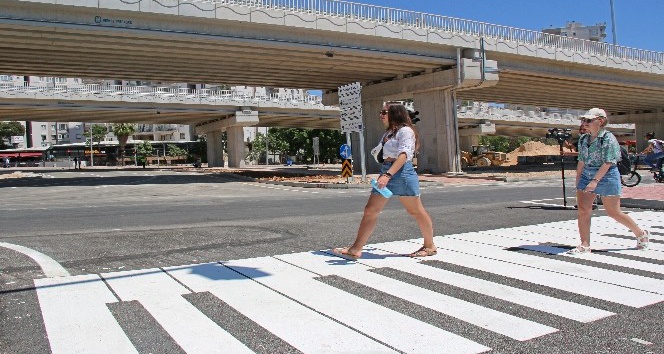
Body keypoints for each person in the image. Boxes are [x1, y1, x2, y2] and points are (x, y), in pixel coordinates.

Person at [333, 103, 436, 259]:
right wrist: (385, 172)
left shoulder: (406, 131)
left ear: (395, 113)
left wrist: (387, 175)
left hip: (402, 174)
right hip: (387, 170)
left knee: (415, 211)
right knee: (370, 210)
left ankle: (430, 246)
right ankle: (356, 248)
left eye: (384, 112)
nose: (381, 115)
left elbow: (404, 155)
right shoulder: (389, 133)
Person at [569, 108, 650, 255]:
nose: (584, 123)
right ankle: (585, 244)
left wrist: (594, 181)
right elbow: (581, 161)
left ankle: (640, 233)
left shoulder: (608, 138)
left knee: (613, 212)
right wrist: (578, 180)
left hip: (607, 175)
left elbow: (608, 162)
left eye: (588, 120)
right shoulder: (583, 139)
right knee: (583, 210)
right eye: (583, 120)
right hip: (587, 174)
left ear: (600, 121)